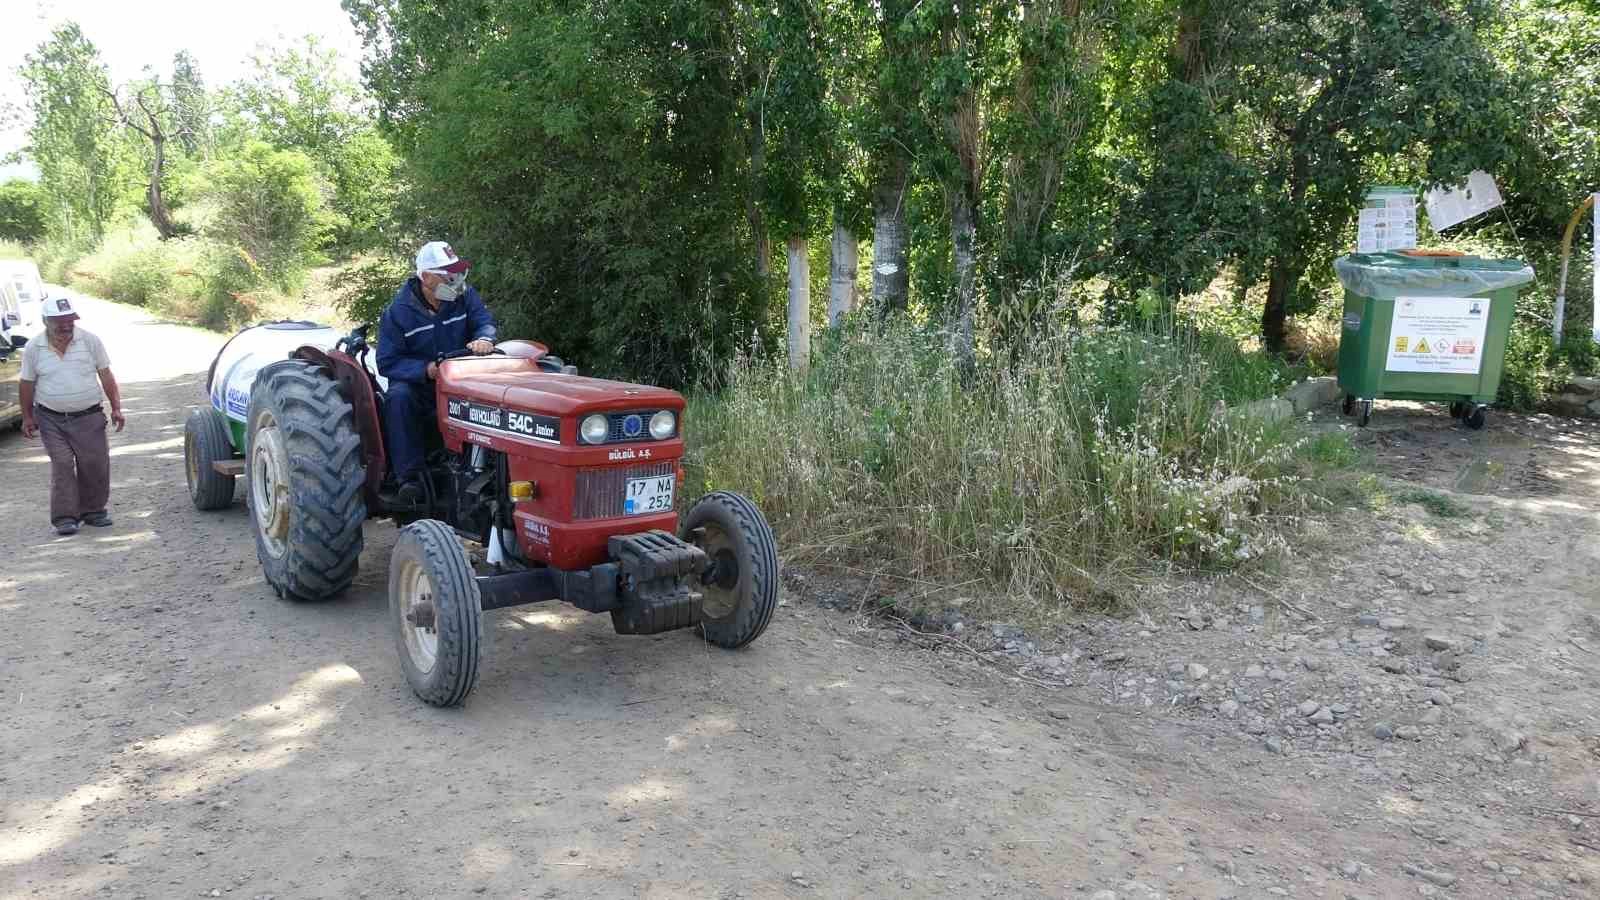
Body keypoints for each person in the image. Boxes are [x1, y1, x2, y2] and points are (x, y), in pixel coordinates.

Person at [378, 241, 497, 504]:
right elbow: (387, 362)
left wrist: (485, 339)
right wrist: (425, 370)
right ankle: (409, 479)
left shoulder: (464, 297)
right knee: (398, 397)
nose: (454, 280)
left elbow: (484, 323)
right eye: (447, 274)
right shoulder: (397, 314)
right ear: (426, 277)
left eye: (456, 272)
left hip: (461, 379)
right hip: (421, 387)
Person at [19, 295, 126, 536]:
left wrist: (116, 407)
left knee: (94, 463)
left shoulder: (90, 341)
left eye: (70, 320)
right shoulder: (34, 347)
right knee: (63, 463)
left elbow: (106, 375)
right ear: (46, 321)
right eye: (60, 322)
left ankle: (93, 511)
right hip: (50, 418)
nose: (67, 326)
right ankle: (65, 517)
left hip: (89, 415)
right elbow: (26, 383)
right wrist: (27, 416)